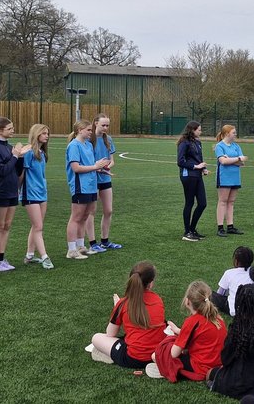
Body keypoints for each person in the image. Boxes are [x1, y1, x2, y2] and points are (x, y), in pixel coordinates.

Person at [88, 261, 166, 369]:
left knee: (96, 338)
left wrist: (117, 308)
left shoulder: (123, 303)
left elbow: (110, 333)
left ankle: (110, 355)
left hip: (134, 358)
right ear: (151, 283)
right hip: (157, 354)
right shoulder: (158, 300)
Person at [207, 285, 254, 400]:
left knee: (210, 373)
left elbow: (225, 359)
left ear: (239, 302)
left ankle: (217, 384)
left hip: (237, 384)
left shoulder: (236, 330)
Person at [147, 280, 227, 383]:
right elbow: (201, 334)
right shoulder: (217, 318)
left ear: (187, 301)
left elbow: (173, 354)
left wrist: (170, 338)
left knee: (156, 355)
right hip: (217, 364)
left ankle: (168, 370)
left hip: (201, 367)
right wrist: (178, 331)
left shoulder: (192, 321)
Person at [0, 117, 27, 271]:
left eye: (12, 128)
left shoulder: (9, 147)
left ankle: (1, 259)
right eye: (9, 129)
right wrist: (14, 156)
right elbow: (2, 170)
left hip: (12, 190)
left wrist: (20, 157)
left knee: (7, 225)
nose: (13, 130)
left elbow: (17, 170)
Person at [65, 120, 110, 260]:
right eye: (88, 130)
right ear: (80, 130)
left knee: (85, 216)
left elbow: (90, 165)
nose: (91, 132)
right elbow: (76, 168)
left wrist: (101, 169)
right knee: (76, 217)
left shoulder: (89, 145)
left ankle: (80, 246)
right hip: (80, 186)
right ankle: (71, 250)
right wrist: (96, 166)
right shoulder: (74, 146)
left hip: (91, 185)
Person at [86, 113, 120, 252]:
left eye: (107, 125)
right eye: (103, 125)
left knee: (108, 210)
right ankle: (93, 243)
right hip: (92, 179)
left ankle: (105, 241)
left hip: (105, 178)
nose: (105, 128)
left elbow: (112, 161)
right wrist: (97, 167)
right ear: (95, 123)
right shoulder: (89, 139)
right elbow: (87, 162)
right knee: (91, 211)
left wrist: (107, 167)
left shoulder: (108, 139)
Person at [20, 124, 52, 269]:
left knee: (37, 225)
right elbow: (21, 174)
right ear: (36, 134)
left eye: (47, 133)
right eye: (44, 133)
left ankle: (30, 255)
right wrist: (17, 190)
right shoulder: (28, 153)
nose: (47, 136)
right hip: (30, 193)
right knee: (38, 226)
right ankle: (45, 257)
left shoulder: (42, 153)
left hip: (41, 192)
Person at [177, 121, 209, 242]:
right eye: (199, 130)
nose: (201, 132)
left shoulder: (198, 142)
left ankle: (192, 229)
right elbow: (180, 161)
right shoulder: (184, 142)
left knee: (202, 203)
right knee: (189, 203)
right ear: (192, 130)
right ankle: (187, 232)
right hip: (188, 175)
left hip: (197, 175)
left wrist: (203, 168)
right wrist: (196, 166)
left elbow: (199, 158)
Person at [213, 124, 246, 237]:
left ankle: (230, 226)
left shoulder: (236, 146)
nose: (235, 134)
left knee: (231, 202)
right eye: (233, 133)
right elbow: (223, 161)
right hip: (224, 177)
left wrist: (230, 159)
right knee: (222, 201)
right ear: (227, 134)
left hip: (235, 177)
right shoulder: (219, 146)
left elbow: (242, 163)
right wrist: (237, 159)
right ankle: (220, 227)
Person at [212, 246, 254, 317]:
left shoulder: (229, 273)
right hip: (251, 310)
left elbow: (220, 293)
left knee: (210, 294)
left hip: (233, 310)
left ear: (236, 261)